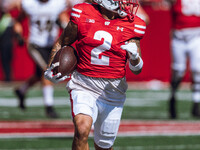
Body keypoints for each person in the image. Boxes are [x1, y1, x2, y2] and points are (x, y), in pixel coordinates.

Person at [45, 0, 146, 149]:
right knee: (81, 129)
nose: (127, 3)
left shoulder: (133, 24)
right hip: (84, 83)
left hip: (113, 91)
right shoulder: (83, 13)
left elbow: (136, 70)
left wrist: (135, 58)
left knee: (104, 145)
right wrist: (51, 68)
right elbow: (62, 42)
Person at [13, 0, 68, 118]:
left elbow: (66, 20)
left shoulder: (57, 4)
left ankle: (21, 91)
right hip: (35, 45)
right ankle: (49, 106)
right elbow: (17, 21)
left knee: (39, 75)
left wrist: (62, 24)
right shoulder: (30, 4)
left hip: (51, 45)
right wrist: (18, 35)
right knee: (46, 71)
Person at [167, 0, 200, 119]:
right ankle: (173, 97)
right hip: (179, 37)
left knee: (197, 69)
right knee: (178, 70)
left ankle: (196, 103)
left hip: (196, 36)